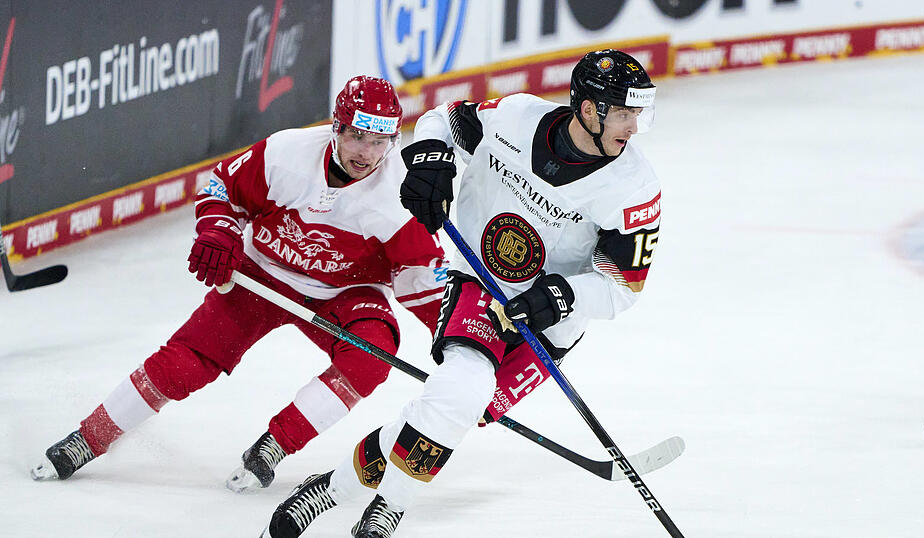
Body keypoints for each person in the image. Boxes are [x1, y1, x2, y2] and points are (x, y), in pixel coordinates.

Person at [259, 48, 662, 537]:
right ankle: (390, 508)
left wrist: (559, 297)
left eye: (638, 113)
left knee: (457, 409)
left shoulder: (635, 187)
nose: (633, 127)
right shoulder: (517, 118)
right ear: (588, 108)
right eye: (623, 112)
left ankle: (331, 489)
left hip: (553, 319)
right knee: (465, 387)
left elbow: (623, 286)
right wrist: (431, 163)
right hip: (480, 281)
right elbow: (442, 122)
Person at [30, 76, 448, 492]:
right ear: (336, 126)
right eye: (358, 136)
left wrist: (458, 349)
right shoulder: (287, 153)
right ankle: (89, 437)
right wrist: (218, 231)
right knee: (186, 361)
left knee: (370, 356)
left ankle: (275, 446)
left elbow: (422, 277)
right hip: (262, 274)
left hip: (342, 294)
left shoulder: (401, 193)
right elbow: (222, 188)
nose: (367, 153)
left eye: (380, 141)